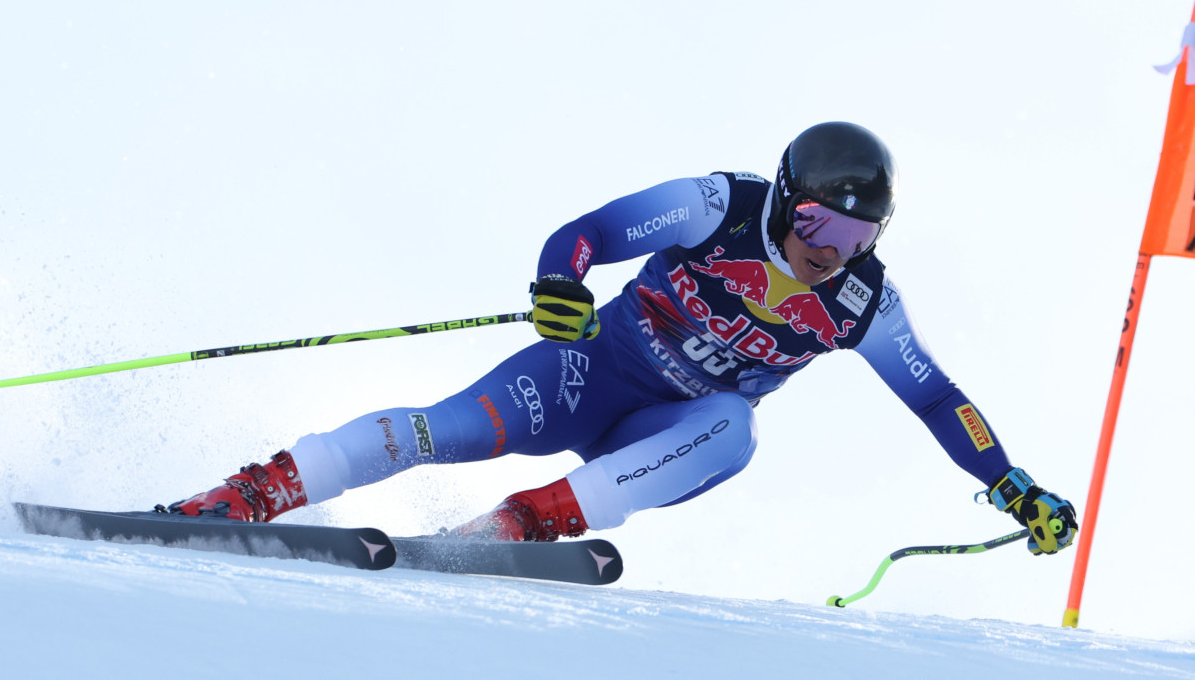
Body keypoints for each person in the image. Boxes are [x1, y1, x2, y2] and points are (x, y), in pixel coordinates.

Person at [167, 121, 1078, 556]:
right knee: (440, 430)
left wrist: (1012, 484)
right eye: (815, 227)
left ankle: (520, 526)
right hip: (585, 371)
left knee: (736, 428)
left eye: (853, 242)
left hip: (661, 433)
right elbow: (588, 233)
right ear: (787, 192)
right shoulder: (722, 204)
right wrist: (563, 283)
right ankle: (255, 491)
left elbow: (935, 398)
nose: (824, 256)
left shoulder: (864, 305)